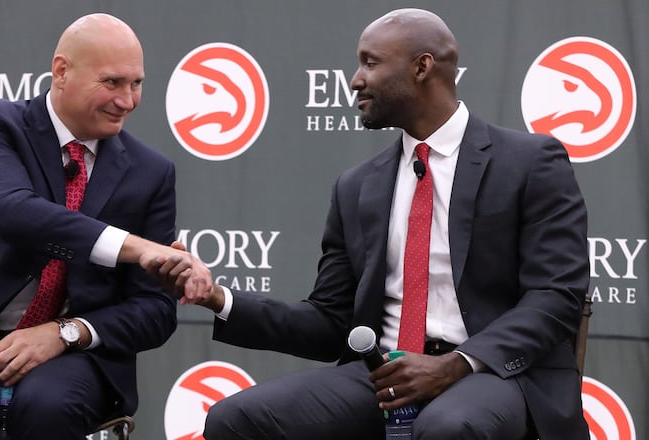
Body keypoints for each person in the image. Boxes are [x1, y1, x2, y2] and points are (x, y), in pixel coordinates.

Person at [151, 8, 589, 440]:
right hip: (386, 375)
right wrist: (216, 298)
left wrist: (456, 364)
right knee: (236, 419)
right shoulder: (358, 185)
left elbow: (556, 296)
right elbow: (329, 323)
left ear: (422, 67)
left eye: (370, 62)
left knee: (446, 428)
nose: (356, 79)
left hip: (495, 373)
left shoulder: (530, 163)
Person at [0, 13, 212, 440]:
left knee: (49, 407)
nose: (128, 100)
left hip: (77, 352)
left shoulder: (151, 173)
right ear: (61, 71)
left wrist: (68, 333)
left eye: (136, 84)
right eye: (112, 82)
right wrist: (137, 247)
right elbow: (12, 212)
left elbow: (155, 311)